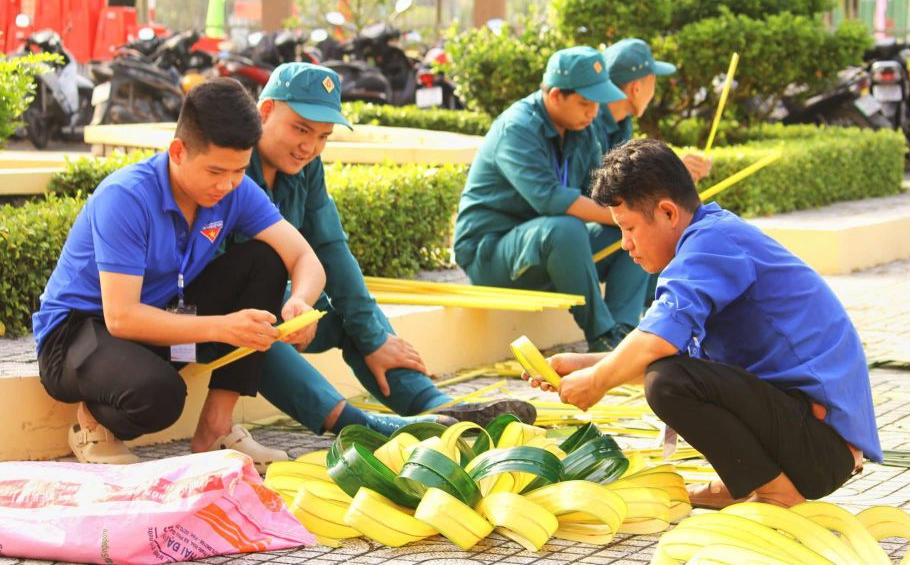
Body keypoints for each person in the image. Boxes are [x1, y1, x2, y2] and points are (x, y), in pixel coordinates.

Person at [525, 139, 881, 508]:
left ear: (667, 212)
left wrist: (597, 382)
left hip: (819, 446)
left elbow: (659, 348)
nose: (625, 244)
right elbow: (673, 358)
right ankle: (749, 482)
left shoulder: (710, 244)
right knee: (669, 375)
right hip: (808, 437)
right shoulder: (713, 236)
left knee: (667, 384)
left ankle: (777, 493)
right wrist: (582, 366)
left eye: (628, 228)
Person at [33, 78, 327, 470]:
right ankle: (93, 423)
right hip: (77, 333)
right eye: (215, 171)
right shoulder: (126, 197)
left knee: (266, 260)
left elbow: (303, 256)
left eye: (239, 171)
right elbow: (121, 317)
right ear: (178, 151)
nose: (226, 185)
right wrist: (223, 328)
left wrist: (301, 302)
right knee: (161, 397)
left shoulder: (235, 190)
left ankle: (216, 429)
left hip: (160, 316)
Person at [241, 62, 536, 436]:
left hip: (281, 305)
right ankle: (364, 425)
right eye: (301, 129)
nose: (310, 147)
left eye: (323, 136)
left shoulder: (306, 168)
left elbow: (332, 250)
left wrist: (373, 339)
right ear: (266, 111)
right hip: (221, 314)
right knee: (259, 328)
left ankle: (438, 409)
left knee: (352, 314)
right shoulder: (231, 164)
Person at [453, 46, 652, 352]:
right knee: (569, 228)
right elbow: (549, 200)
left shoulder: (580, 128)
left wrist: (638, 213)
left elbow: (599, 193)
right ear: (556, 95)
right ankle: (602, 336)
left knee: (632, 233)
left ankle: (622, 334)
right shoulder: (517, 128)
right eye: (585, 103)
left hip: (548, 250)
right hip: (491, 255)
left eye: (597, 104)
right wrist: (626, 214)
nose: (593, 113)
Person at [597, 38, 712, 183]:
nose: (653, 92)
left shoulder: (622, 122)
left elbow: (624, 183)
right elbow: (603, 191)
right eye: (653, 83)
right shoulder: (587, 127)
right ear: (636, 89)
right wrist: (672, 173)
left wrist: (674, 174)